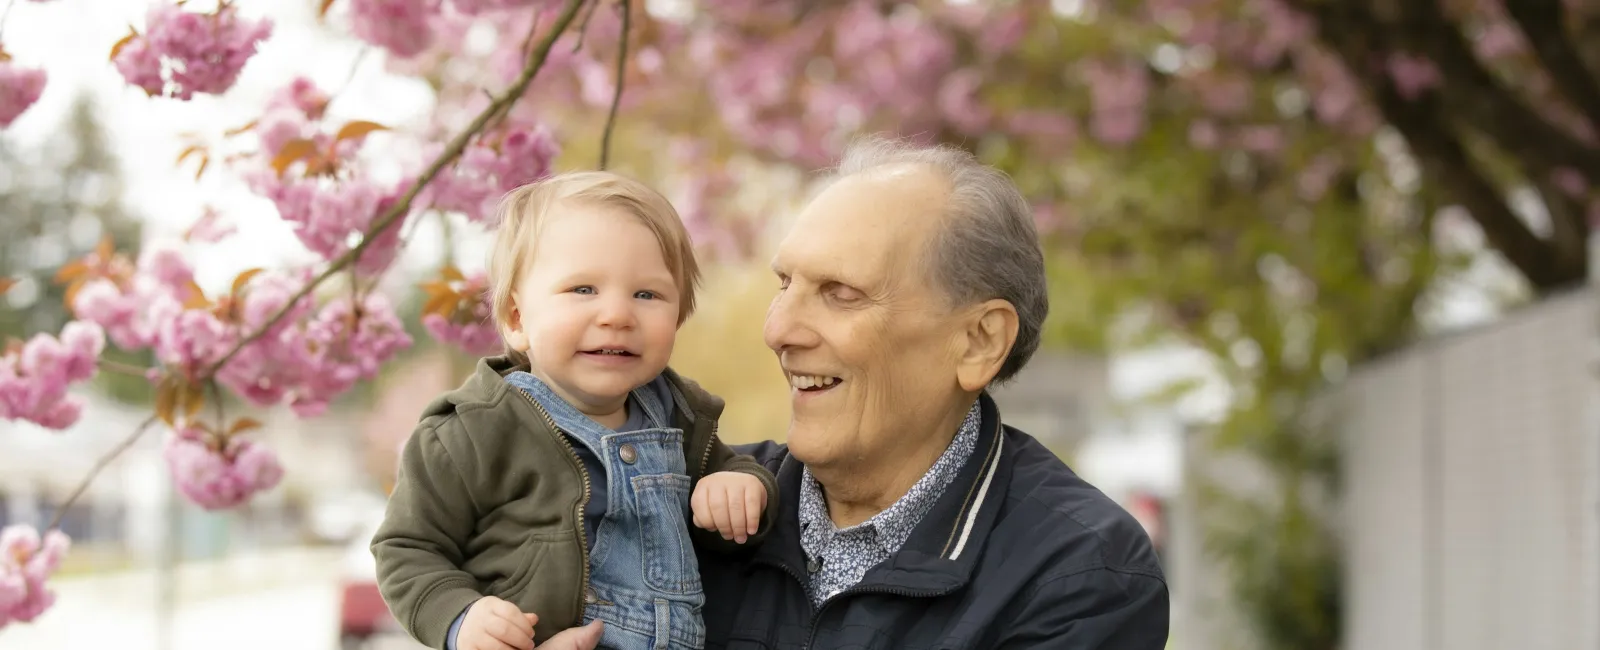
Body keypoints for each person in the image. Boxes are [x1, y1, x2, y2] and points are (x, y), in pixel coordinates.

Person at [695, 135, 1170, 648]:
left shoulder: (1081, 572)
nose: (779, 331)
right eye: (785, 284)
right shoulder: (683, 506)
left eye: (841, 294)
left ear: (978, 342)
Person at [372, 171, 780, 650]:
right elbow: (407, 548)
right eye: (583, 289)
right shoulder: (473, 431)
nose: (617, 315)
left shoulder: (679, 419)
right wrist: (461, 617)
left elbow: (728, 524)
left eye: (646, 294)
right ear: (517, 319)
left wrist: (742, 489)